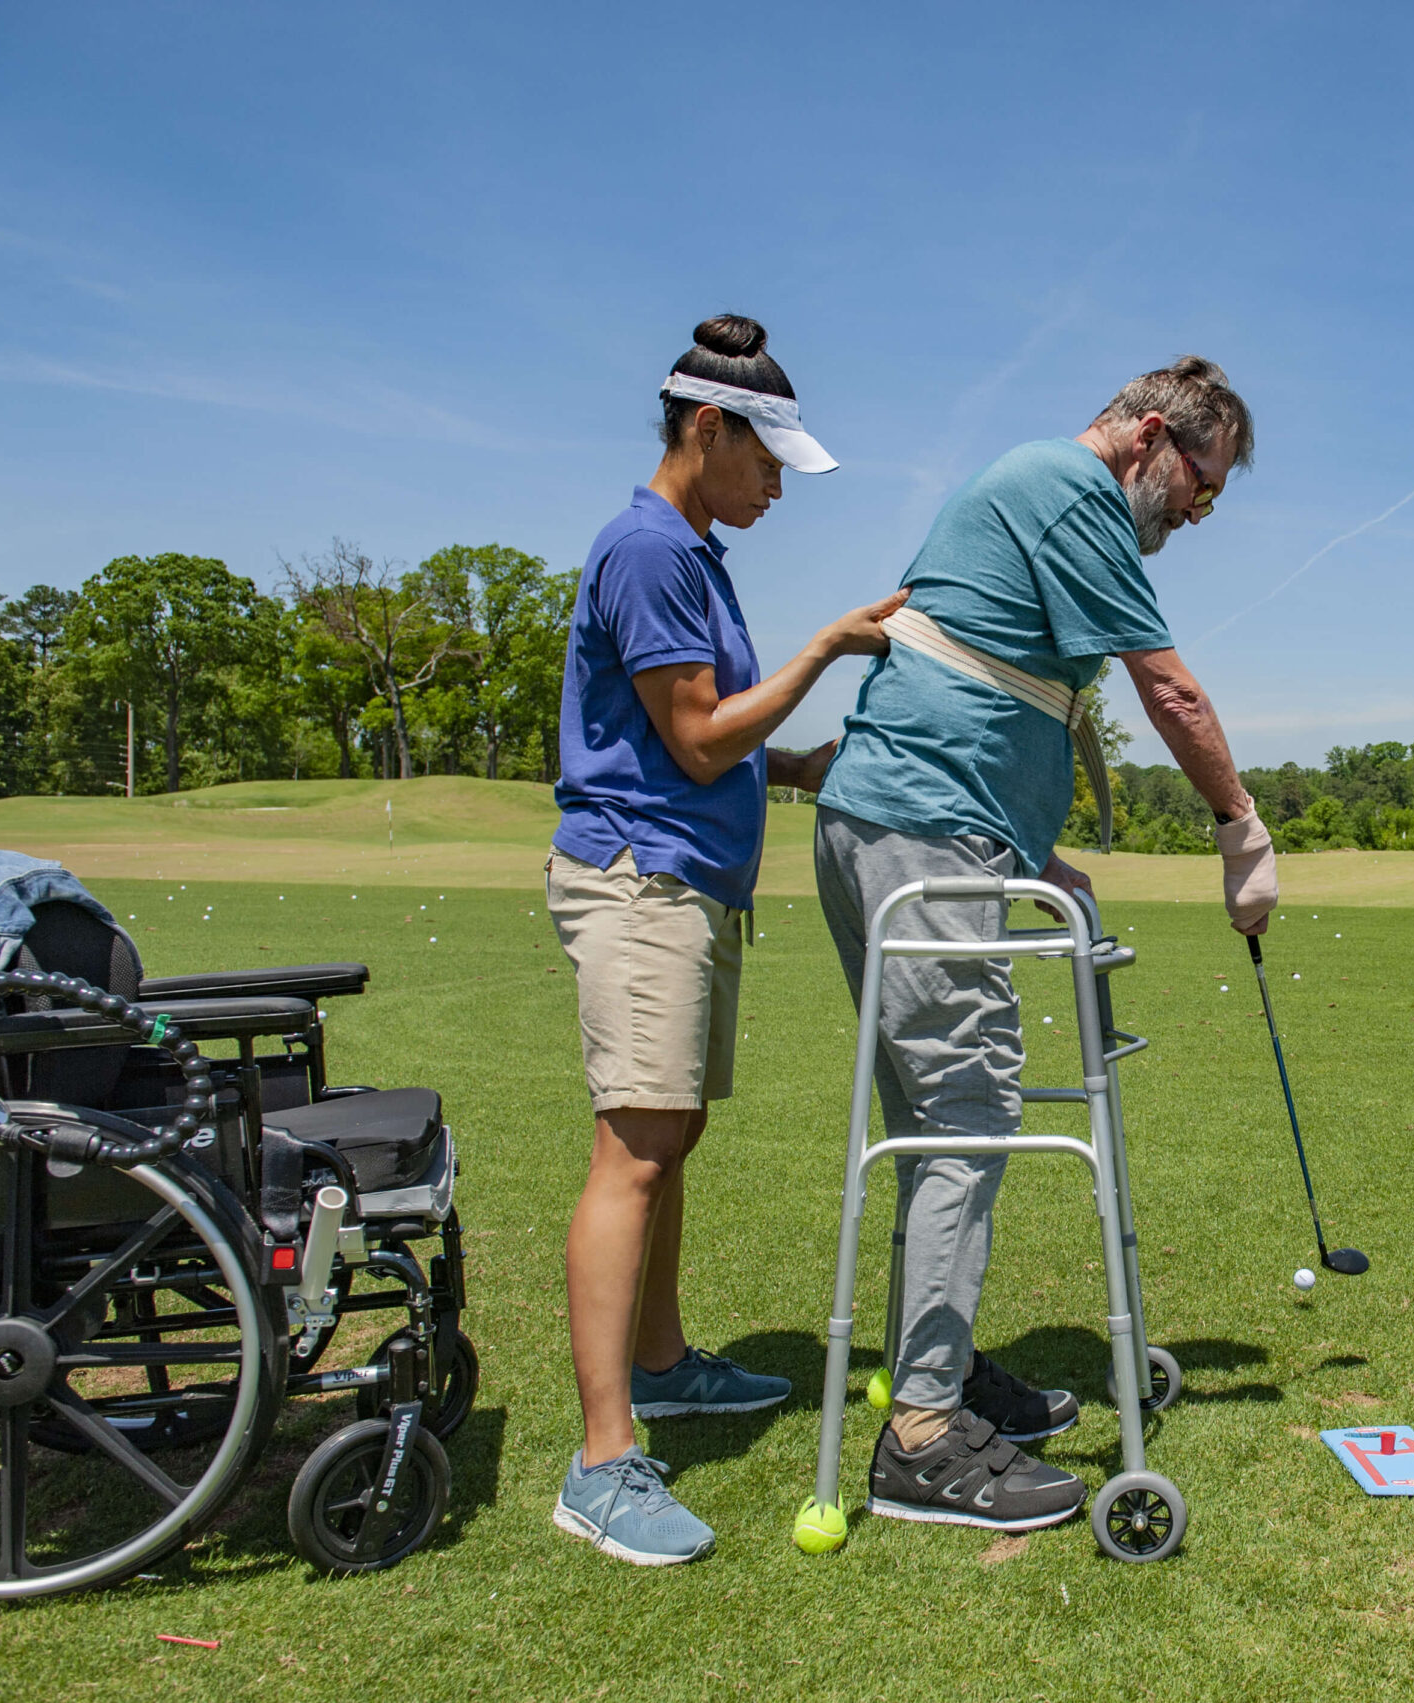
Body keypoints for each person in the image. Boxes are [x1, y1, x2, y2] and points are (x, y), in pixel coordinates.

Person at [811, 356, 1276, 1533]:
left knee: (936, 1119)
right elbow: (1168, 692)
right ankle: (919, 1433)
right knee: (968, 1107)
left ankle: (943, 1369)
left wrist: (1029, 845)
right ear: (1152, 439)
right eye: (1200, 487)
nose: (1195, 514)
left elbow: (989, 671)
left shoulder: (1036, 489)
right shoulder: (1074, 488)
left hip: (916, 824)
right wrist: (1240, 827)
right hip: (921, 832)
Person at [546, 315, 906, 1566]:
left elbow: (709, 738)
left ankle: (664, 1364)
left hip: (690, 877)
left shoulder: (692, 552)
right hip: (640, 882)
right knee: (635, 1145)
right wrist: (822, 647)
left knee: (672, 1131)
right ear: (708, 429)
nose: (773, 488)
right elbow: (696, 738)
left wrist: (801, 761)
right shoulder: (650, 548)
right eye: (767, 463)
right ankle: (602, 1462)